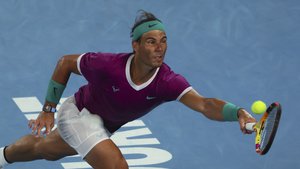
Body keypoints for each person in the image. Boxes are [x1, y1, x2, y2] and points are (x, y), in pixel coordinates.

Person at [0, 10, 256, 169]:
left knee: (43, 150)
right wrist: (47, 110)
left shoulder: (167, 81)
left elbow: (205, 104)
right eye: (151, 42)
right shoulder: (108, 65)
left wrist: (239, 112)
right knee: (115, 167)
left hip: (103, 125)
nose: (160, 48)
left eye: (164, 41)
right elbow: (65, 62)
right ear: (136, 45)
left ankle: (3, 156)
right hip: (79, 114)